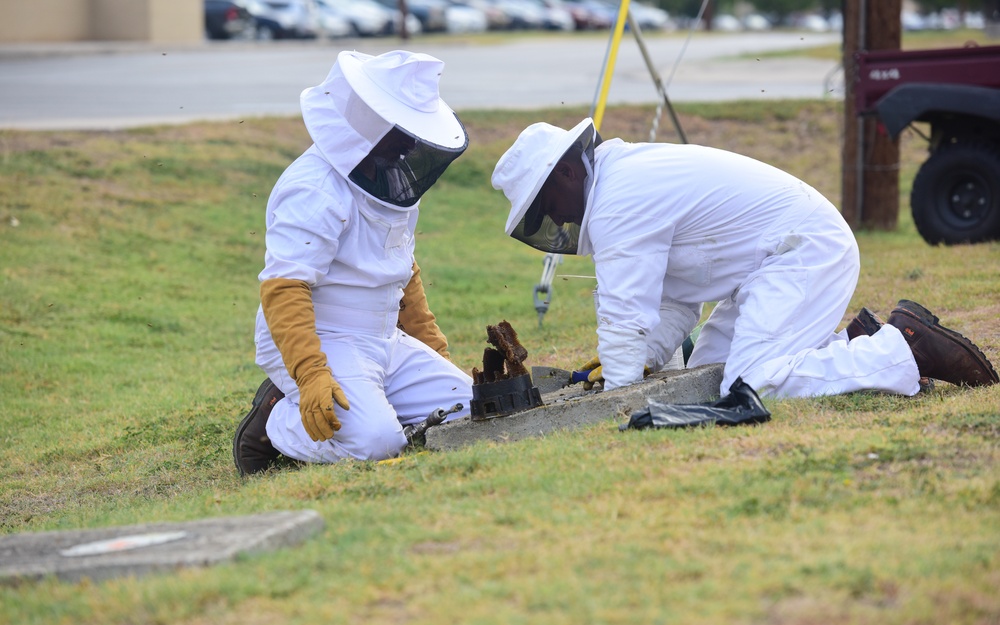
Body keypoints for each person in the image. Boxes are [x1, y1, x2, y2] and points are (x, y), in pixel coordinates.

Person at [491, 118, 998, 399]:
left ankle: (903, 351)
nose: (555, 219)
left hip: (803, 252)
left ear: (566, 175)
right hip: (778, 260)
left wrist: (616, 399)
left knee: (750, 384)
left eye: (546, 205)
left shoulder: (619, 200)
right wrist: (632, 368)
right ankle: (852, 343)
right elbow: (673, 307)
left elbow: (625, 318)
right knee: (709, 374)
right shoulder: (623, 183)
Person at [232, 50, 473, 476]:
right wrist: (309, 375)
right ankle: (276, 422)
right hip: (322, 338)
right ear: (369, 121)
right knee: (378, 443)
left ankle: (369, 403)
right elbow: (284, 287)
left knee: (467, 409)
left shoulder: (386, 181)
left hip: (383, 341)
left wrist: (434, 354)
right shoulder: (313, 188)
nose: (410, 145)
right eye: (403, 131)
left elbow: (403, 270)